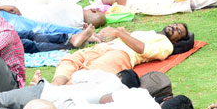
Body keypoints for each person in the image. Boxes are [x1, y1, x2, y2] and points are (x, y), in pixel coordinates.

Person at [50, 23, 192, 85]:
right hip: (106, 46)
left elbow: (143, 49)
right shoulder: (151, 33)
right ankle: (55, 88)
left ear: (176, 41)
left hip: (121, 54)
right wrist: (121, 33)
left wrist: (119, 33)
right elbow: (131, 39)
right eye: (175, 25)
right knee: (70, 60)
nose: (174, 28)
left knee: (89, 72)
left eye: (178, 31)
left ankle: (61, 93)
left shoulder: (166, 45)